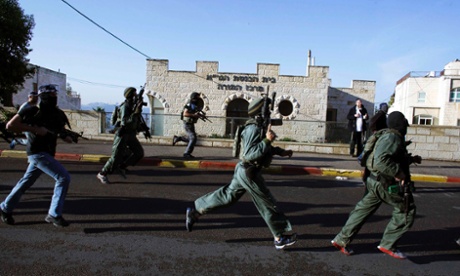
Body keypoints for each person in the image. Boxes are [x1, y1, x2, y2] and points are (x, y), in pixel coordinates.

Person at [185, 97, 297, 250]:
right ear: (258, 113)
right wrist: (267, 141)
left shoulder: (257, 127)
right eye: (266, 110)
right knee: (267, 203)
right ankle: (279, 237)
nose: (269, 113)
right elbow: (250, 154)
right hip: (249, 171)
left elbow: (260, 148)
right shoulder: (254, 129)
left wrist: (280, 152)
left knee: (228, 197)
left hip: (243, 170)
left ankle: (196, 211)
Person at [331, 111, 422, 259]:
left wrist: (411, 159)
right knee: (406, 210)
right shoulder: (393, 137)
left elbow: (391, 157)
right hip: (385, 183)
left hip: (374, 182)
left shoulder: (385, 135)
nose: (406, 128)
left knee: (362, 211)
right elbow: (381, 161)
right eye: (405, 125)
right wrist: (399, 174)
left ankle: (341, 240)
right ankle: (388, 244)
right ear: (400, 126)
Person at [0, 84, 74, 227]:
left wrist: (65, 136)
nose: (55, 97)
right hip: (37, 152)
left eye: (55, 95)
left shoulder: (54, 113)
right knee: (63, 177)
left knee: (25, 182)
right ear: (44, 96)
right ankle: (54, 214)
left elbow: (57, 129)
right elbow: (10, 125)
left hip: (47, 152)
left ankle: (5, 208)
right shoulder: (32, 110)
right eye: (52, 95)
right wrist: (34, 129)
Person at [97, 87, 145, 184]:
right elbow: (125, 122)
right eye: (134, 94)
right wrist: (136, 112)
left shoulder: (133, 106)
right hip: (123, 134)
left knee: (139, 152)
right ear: (130, 95)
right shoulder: (125, 106)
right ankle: (102, 173)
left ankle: (122, 167)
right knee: (115, 157)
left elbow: (135, 121)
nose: (136, 96)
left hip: (130, 134)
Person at [362, 102, 389, 187]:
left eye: (386, 107)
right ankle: (366, 178)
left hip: (380, 138)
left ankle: (366, 178)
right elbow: (372, 122)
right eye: (385, 107)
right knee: (372, 158)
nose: (386, 108)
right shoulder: (380, 114)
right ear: (382, 108)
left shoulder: (383, 115)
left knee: (372, 158)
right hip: (378, 139)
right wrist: (376, 132)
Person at [172, 92, 201, 159]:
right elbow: (185, 114)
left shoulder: (194, 105)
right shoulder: (189, 104)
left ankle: (178, 138)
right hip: (187, 124)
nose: (198, 99)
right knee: (193, 138)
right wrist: (194, 115)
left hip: (191, 123)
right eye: (197, 97)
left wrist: (198, 115)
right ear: (194, 98)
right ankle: (186, 153)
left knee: (192, 138)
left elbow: (193, 113)